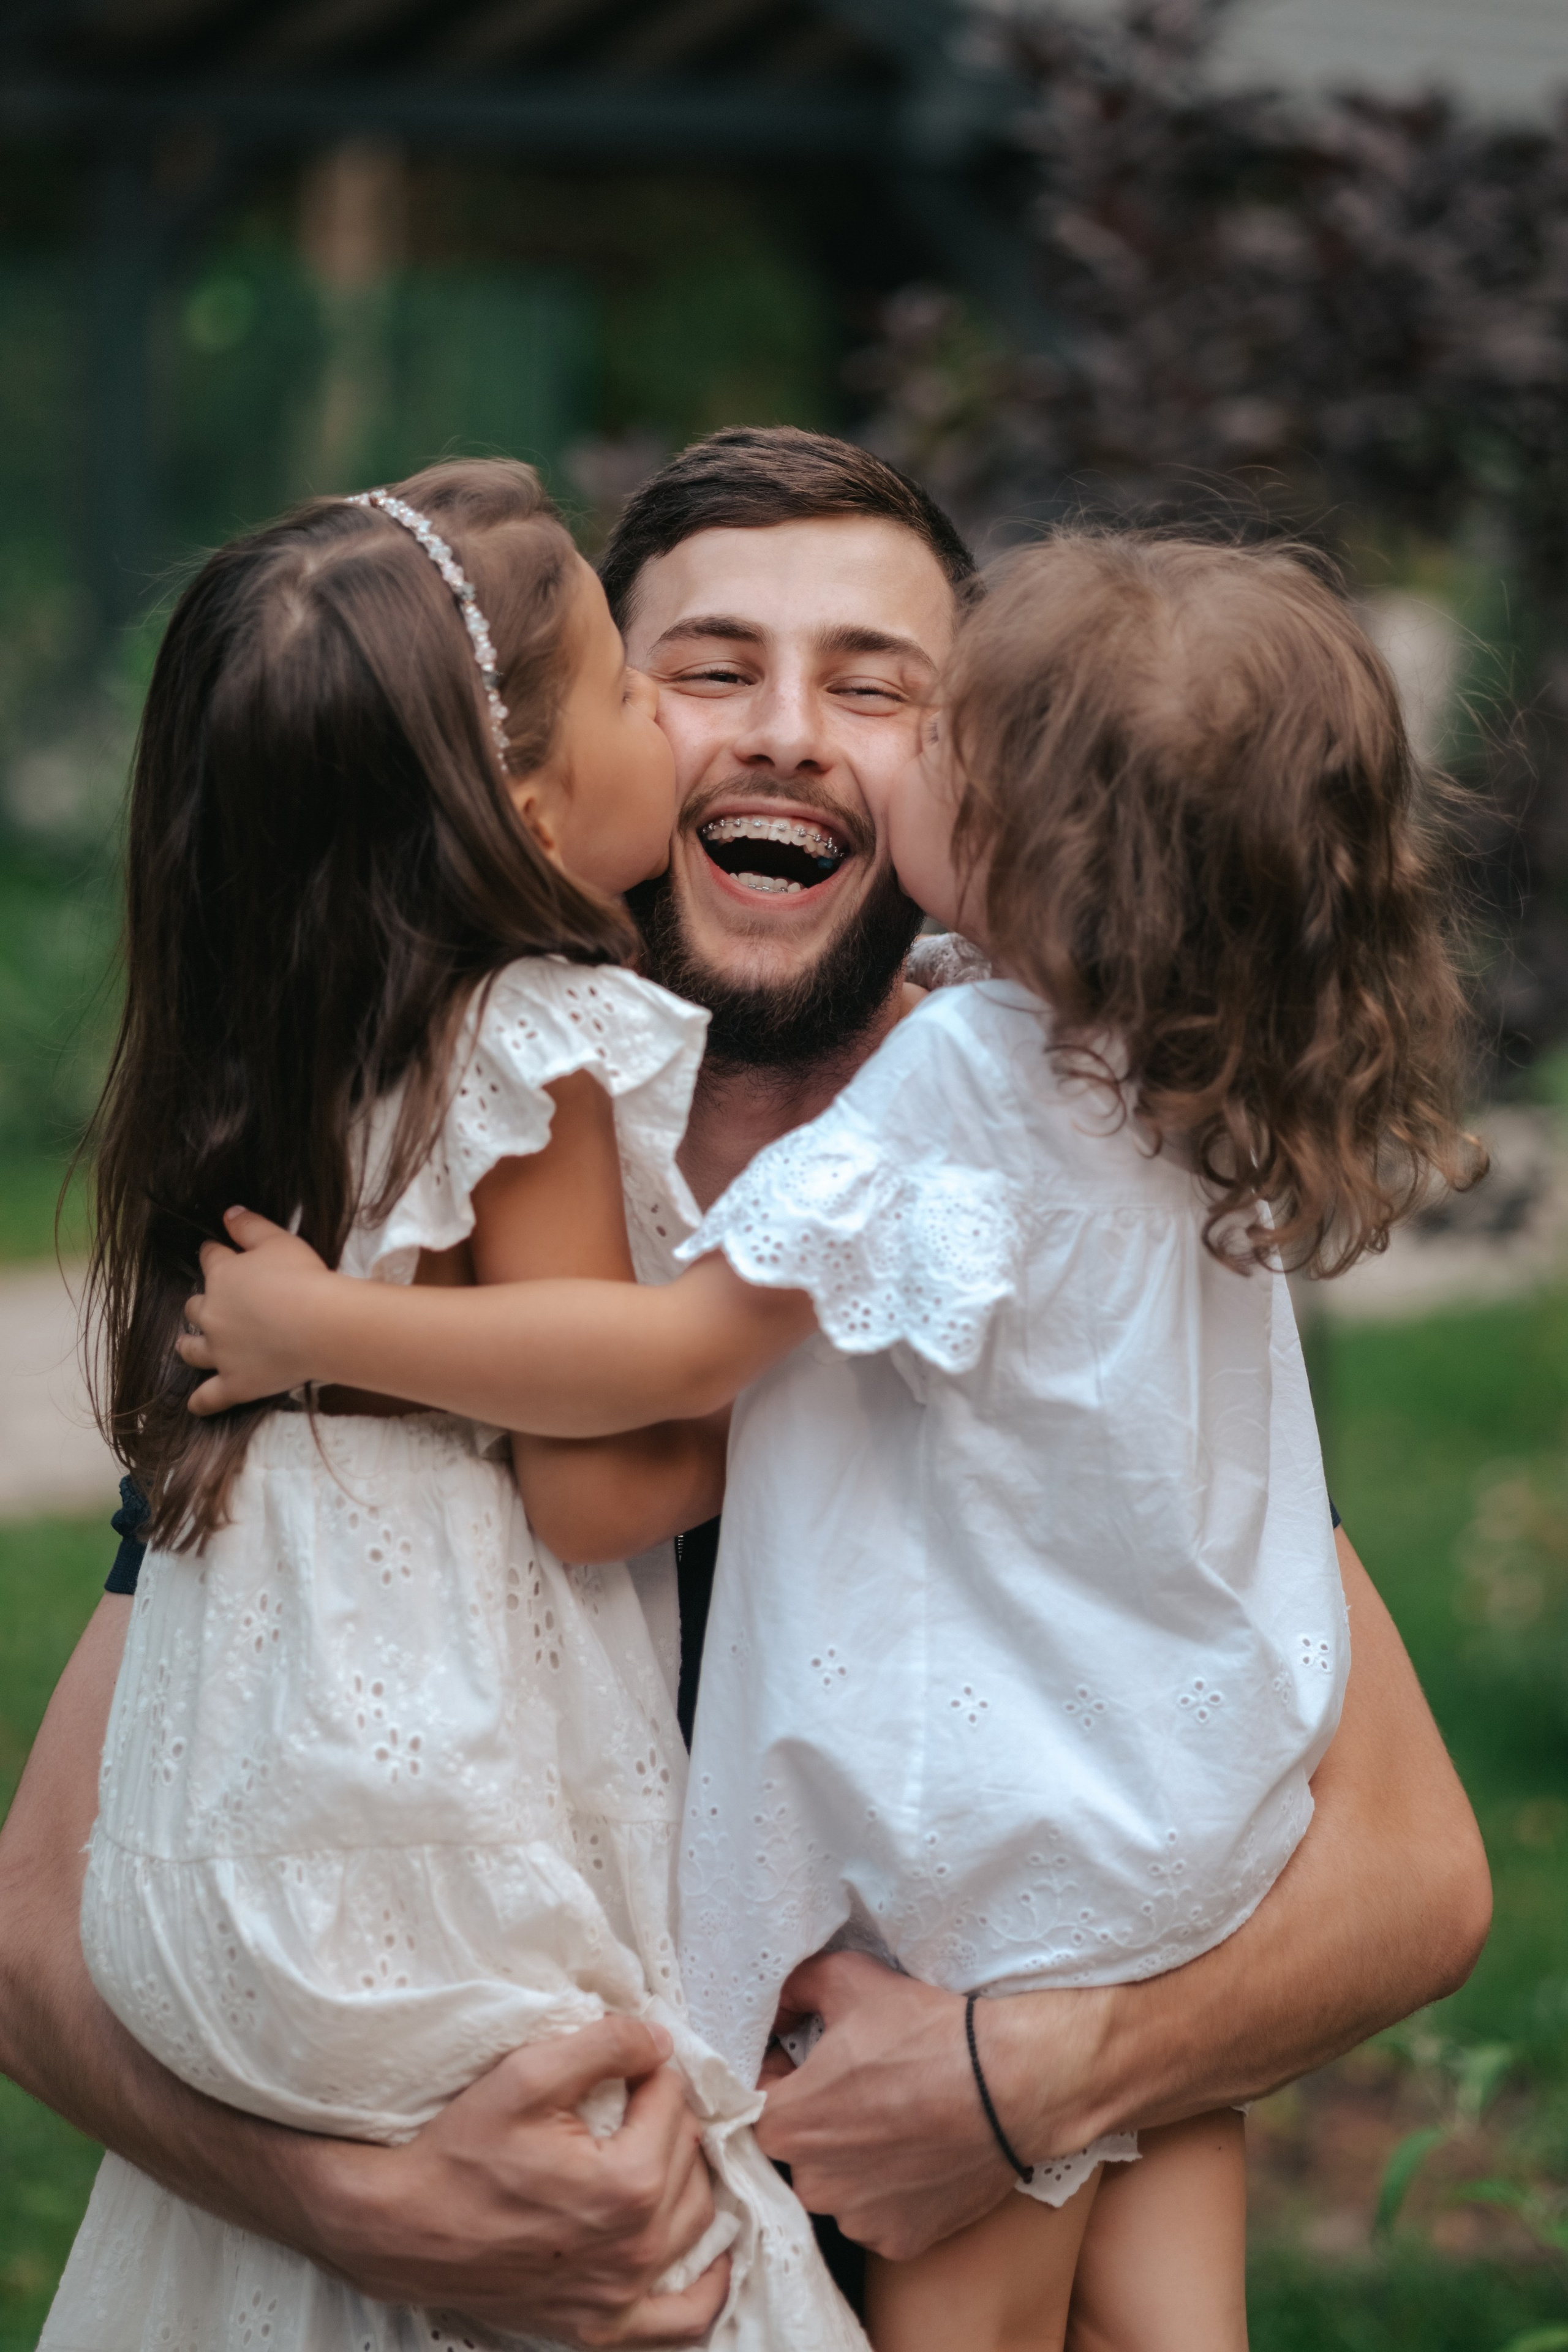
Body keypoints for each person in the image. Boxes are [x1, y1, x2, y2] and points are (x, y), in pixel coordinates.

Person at [0, 429, 1490, 2349]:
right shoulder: (400, 1201)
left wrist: (1020, 2079)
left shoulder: (1049, 1187)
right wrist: (387, 2208)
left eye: (882, 687)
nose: (790, 731)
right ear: (546, 761)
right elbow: (42, 1923)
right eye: (701, 670)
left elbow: (1418, 1876)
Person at [36, 455, 863, 2351]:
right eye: (634, 688)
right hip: (462, 1772)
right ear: (521, 798)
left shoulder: (285, 1052)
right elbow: (593, 1479)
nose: (675, 722)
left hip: (255, 1822)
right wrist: (794, 1375)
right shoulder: (531, 1042)